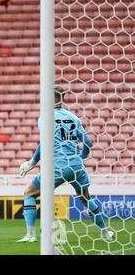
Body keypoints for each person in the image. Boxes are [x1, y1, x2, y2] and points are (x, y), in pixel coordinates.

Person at [17, 86, 114, 243]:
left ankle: (31, 235)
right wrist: (79, 158)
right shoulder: (74, 117)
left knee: (29, 192)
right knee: (85, 198)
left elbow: (45, 143)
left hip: (57, 166)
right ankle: (105, 232)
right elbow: (88, 143)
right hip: (75, 165)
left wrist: (32, 163)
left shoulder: (45, 118)